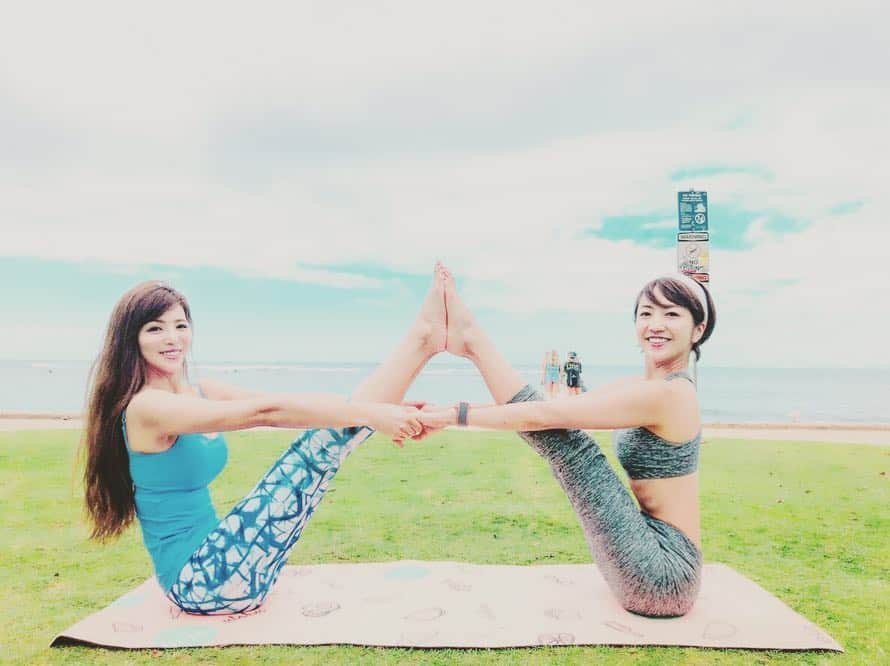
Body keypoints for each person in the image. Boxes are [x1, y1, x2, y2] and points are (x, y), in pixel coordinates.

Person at [82, 265, 451, 614]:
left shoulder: (202, 390)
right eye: (155, 329)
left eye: (180, 325)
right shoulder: (147, 408)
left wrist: (385, 409)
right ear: (132, 338)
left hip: (232, 565)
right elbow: (266, 412)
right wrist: (373, 413)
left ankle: (424, 342)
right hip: (201, 580)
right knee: (317, 449)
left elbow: (288, 404)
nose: (172, 338)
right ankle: (423, 340)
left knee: (324, 441)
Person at [419, 267, 715, 617]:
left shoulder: (669, 395)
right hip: (650, 554)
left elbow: (542, 417)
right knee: (567, 437)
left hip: (664, 576)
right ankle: (473, 345)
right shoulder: (641, 386)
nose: (655, 324)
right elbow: (551, 409)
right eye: (646, 313)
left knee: (577, 449)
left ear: (697, 330)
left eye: (671, 314)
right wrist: (453, 411)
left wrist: (456, 415)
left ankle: (474, 344)